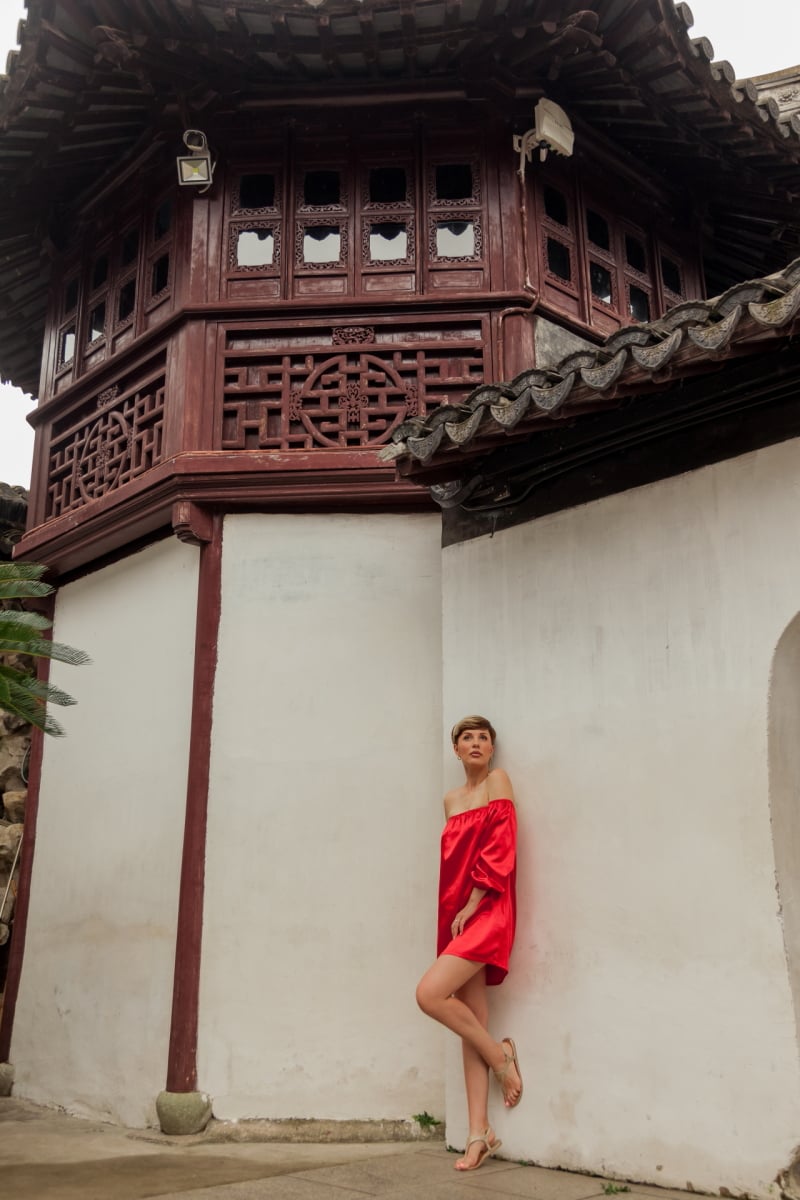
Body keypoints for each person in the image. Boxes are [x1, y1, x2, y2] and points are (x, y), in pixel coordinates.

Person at [415, 714, 522, 1172]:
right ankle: (479, 1134)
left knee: (429, 995)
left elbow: (501, 844)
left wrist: (474, 901)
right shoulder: (450, 799)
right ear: (456, 750)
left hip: (488, 906)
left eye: (483, 738)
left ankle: (501, 1058)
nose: (476, 743)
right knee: (469, 1018)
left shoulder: (498, 781)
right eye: (466, 738)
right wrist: (457, 910)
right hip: (456, 914)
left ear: (492, 749)